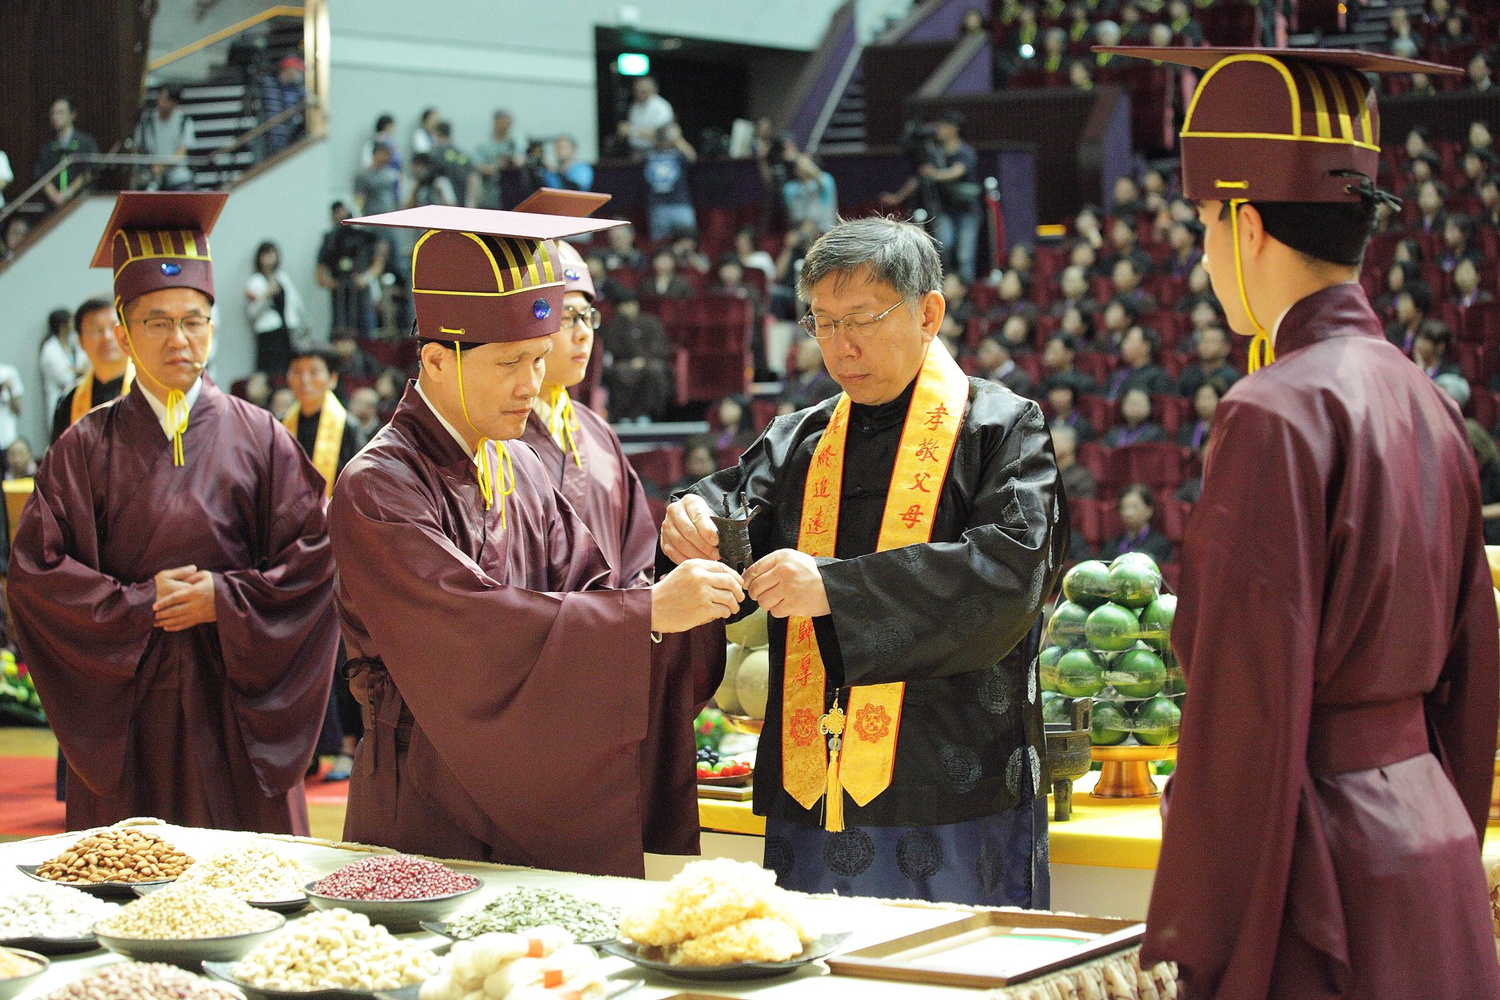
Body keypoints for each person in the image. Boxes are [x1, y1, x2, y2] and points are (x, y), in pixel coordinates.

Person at [1096, 43, 1500, 997]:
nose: (1200, 256)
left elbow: (1245, 689)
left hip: (1318, 856)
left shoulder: (1273, 409)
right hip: (1430, 834)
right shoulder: (1427, 397)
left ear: (1245, 223)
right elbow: (1476, 666)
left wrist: (1217, 928)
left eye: (1200, 225)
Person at [661, 216, 1067, 906]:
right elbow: (731, 508)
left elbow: (1007, 575)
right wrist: (691, 519)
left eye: (862, 319)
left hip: (952, 780)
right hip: (809, 779)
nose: (840, 347)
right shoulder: (802, 437)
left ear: (928, 313)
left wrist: (835, 589)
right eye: (822, 322)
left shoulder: (1002, 428)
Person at [325, 203, 741, 875]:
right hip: (425, 793)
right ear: (436, 360)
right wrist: (648, 613)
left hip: (534, 779)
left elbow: (595, 588)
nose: (531, 385)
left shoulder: (515, 460)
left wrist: (681, 593)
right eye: (510, 362)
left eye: (539, 359)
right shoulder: (378, 484)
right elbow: (465, 629)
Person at [9, 191, 339, 834]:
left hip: (238, 701)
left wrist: (228, 599)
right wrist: (137, 605)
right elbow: (37, 579)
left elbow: (316, 560)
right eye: (157, 321)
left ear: (214, 328)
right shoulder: (84, 445)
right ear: (125, 332)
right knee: (129, 887)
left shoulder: (262, 435)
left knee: (255, 899)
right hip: (131, 711)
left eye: (194, 320)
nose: (178, 339)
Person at [283, 345, 364, 782]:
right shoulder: (281, 428)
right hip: (294, 555)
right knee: (295, 651)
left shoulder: (348, 429)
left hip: (337, 554)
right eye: (297, 372)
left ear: (332, 378)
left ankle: (350, 747)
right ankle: (306, 749)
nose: (305, 380)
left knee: (340, 652)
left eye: (315, 372)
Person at [881, 112, 983, 282]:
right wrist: (898, 197)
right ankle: (944, 286)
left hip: (967, 210)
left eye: (943, 126)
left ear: (954, 129)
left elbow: (957, 172)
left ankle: (966, 294)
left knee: (965, 254)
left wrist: (933, 174)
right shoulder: (934, 152)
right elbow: (918, 177)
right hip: (944, 208)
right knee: (944, 244)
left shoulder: (965, 151)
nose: (938, 130)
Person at [51, 298, 133, 445]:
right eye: (95, 330)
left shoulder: (154, 388)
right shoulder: (69, 401)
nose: (107, 337)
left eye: (114, 327)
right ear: (80, 342)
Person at [317, 202, 387, 341]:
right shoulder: (330, 240)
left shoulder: (364, 236)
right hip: (340, 299)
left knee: (368, 339)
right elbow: (320, 274)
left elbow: (378, 262)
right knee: (341, 337)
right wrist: (337, 284)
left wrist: (365, 278)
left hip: (362, 297)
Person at [245, 241, 305, 376]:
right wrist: (266, 295)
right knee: (269, 371)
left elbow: (296, 303)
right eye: (266, 254)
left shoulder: (282, 278)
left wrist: (304, 323)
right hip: (268, 333)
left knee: (288, 368)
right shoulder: (255, 281)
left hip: (286, 330)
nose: (270, 257)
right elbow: (251, 312)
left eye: (273, 253)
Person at [36, 97, 99, 209]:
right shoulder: (48, 147)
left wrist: (68, 193)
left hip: (80, 203)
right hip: (53, 206)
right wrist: (55, 196)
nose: (56, 117)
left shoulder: (86, 143)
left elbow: (90, 171)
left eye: (60, 112)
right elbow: (41, 175)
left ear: (72, 115)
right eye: (53, 113)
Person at [132, 84, 195, 191]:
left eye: (164, 99)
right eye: (159, 97)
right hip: (151, 175)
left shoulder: (184, 121)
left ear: (174, 103)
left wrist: (161, 166)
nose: (159, 102)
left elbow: (181, 153)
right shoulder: (147, 121)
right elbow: (137, 149)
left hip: (177, 177)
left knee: (186, 191)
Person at [644, 123, 698, 241]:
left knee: (688, 239)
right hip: (658, 205)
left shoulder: (678, 154)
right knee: (660, 243)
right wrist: (654, 136)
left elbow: (692, 157)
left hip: (680, 203)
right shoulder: (649, 153)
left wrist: (677, 140)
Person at [1102, 483, 1171, 563]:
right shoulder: (1113, 543)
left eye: (1135, 507)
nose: (1128, 513)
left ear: (1149, 510)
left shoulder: (1159, 544)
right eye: (1124, 507)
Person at [1103, 326, 1171, 400]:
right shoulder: (1117, 374)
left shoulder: (1157, 377)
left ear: (1146, 346)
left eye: (1130, 341)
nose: (1124, 345)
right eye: (1124, 340)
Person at [778, 335, 842, 414]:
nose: (798, 357)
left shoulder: (829, 384)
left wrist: (796, 406)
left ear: (818, 357)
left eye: (804, 353)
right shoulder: (793, 380)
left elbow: (825, 408)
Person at [39, 308, 83, 420]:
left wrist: (76, 370)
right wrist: (78, 371)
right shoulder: (50, 349)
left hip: (78, 400)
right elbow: (64, 377)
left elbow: (87, 367)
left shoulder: (74, 345)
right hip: (60, 401)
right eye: (71, 321)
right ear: (62, 326)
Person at [1174, 323, 1238, 397]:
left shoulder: (1232, 378)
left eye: (1212, 341)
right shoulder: (1188, 375)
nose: (1206, 345)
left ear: (1226, 348)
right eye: (1203, 340)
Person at [782, 155, 838, 235]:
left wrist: (799, 158)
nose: (802, 167)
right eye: (799, 165)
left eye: (806, 164)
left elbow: (821, 180)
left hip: (824, 232)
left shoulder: (826, 179)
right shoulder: (791, 188)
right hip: (800, 232)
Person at [620, 76, 675, 156]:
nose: (640, 94)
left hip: (657, 153)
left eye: (643, 91)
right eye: (637, 91)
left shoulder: (661, 106)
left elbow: (663, 135)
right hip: (636, 152)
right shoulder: (634, 106)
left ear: (654, 90)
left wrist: (631, 131)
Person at [1175, 378, 1223, 453]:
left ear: (1220, 400)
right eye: (1200, 398)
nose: (1204, 403)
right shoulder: (1186, 431)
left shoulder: (1225, 430)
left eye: (1209, 398)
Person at [1050, 422, 1096, 499]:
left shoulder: (1082, 478)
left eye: (1053, 442)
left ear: (1070, 445)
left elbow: (1082, 507)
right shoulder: (1045, 472)